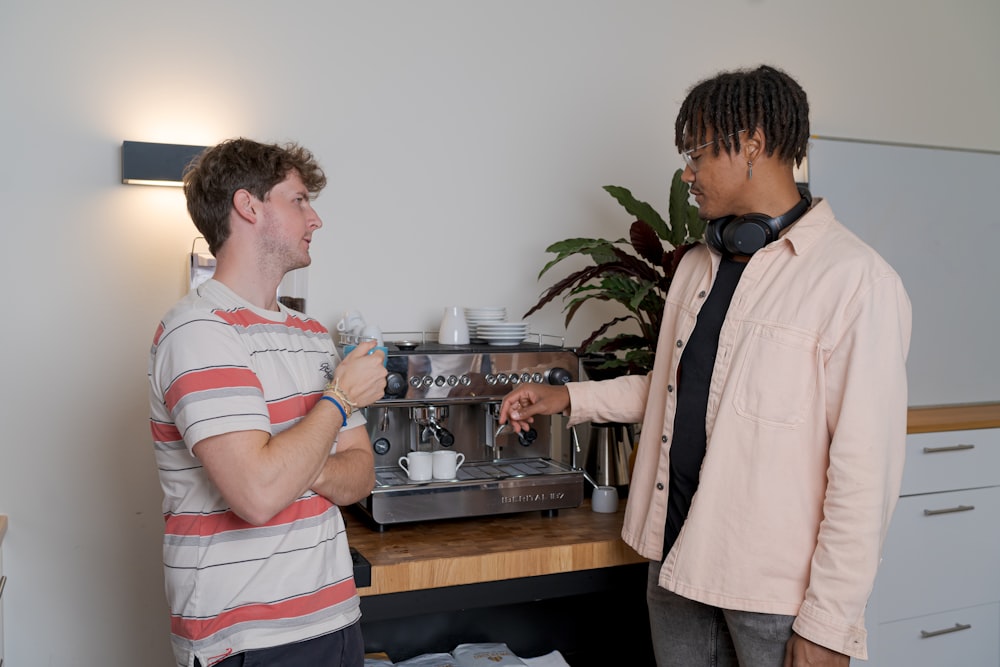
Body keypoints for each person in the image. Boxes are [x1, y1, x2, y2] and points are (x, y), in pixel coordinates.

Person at [500, 66, 911, 667]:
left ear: (752, 144)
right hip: (674, 560)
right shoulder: (699, 266)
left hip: (773, 593)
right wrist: (572, 400)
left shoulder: (856, 281)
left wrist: (829, 625)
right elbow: (682, 386)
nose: (686, 174)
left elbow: (865, 473)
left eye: (695, 153)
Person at [148, 138, 387, 667]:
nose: (316, 218)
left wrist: (291, 462)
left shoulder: (309, 332)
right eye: (299, 199)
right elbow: (256, 495)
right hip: (247, 639)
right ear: (248, 206)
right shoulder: (198, 331)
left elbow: (361, 476)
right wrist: (341, 398)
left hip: (335, 619)